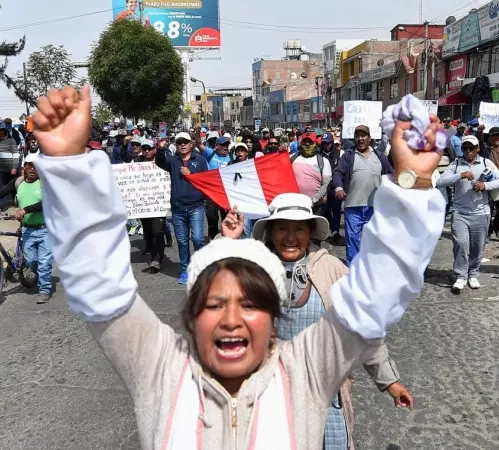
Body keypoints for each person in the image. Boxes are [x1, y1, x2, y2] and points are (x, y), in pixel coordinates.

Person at [31, 85, 444, 450]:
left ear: (272, 314)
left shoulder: (305, 370)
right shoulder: (160, 369)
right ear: (190, 317)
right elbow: (102, 291)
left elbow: (375, 297)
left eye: (249, 304)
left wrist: (414, 182)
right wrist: (68, 164)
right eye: (213, 305)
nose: (232, 320)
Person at [223, 193, 414, 449]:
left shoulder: (331, 271)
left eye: (299, 228)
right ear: (270, 231)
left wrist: (390, 381)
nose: (290, 237)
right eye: (282, 228)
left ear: (310, 231)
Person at [436, 135, 499, 291]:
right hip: (460, 212)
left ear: (477, 149)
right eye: (465, 148)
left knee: (478, 246)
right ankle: (460, 275)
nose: (468, 152)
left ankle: (473, 273)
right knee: (460, 243)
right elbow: (440, 182)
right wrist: (459, 175)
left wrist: (485, 185)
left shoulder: (487, 163)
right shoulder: (455, 164)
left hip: (481, 213)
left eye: (471, 148)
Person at [332, 125, 393, 265]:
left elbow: (390, 174)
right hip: (353, 205)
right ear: (354, 139)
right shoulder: (348, 156)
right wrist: (339, 188)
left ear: (369, 138)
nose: (360, 139)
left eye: (363, 136)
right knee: (352, 239)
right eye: (357, 136)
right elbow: (337, 173)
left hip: (374, 207)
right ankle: (352, 269)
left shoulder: (379, 156)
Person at [156, 131, 209, 284]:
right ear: (176, 145)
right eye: (179, 142)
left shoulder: (199, 160)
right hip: (178, 208)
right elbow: (160, 162)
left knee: (198, 239)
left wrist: (190, 174)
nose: (183, 145)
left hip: (196, 206)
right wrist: (160, 149)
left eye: (185, 142)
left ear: (191, 144)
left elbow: (205, 179)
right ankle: (185, 270)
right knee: (183, 242)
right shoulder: (172, 161)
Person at [0, 153, 52, 303]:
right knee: (30, 262)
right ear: (25, 167)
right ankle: (34, 273)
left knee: (44, 262)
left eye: (36, 166)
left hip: (45, 230)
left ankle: (44, 290)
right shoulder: (18, 183)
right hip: (27, 230)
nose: (33, 169)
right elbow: (2, 192)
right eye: (30, 165)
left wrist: (25, 210)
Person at [132, 139, 168, 273]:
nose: (147, 151)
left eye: (150, 148)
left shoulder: (162, 161)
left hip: (159, 203)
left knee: (157, 231)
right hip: (143, 204)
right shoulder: (136, 162)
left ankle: (156, 260)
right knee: (148, 232)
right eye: (144, 148)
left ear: (154, 149)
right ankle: (157, 255)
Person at [291, 131, 332, 211]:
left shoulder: (323, 161)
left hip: (316, 206)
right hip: (295, 205)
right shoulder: (292, 158)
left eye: (310, 142)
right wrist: (280, 150)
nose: (307, 144)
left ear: (315, 143)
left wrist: (314, 200)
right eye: (305, 141)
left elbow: (326, 184)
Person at [318, 132, 343, 243]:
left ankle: (335, 231)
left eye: (328, 143)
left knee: (336, 209)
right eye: (324, 143)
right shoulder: (318, 156)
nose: (326, 145)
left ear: (332, 143)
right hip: (323, 188)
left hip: (335, 187)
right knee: (324, 210)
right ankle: (323, 231)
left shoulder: (339, 154)